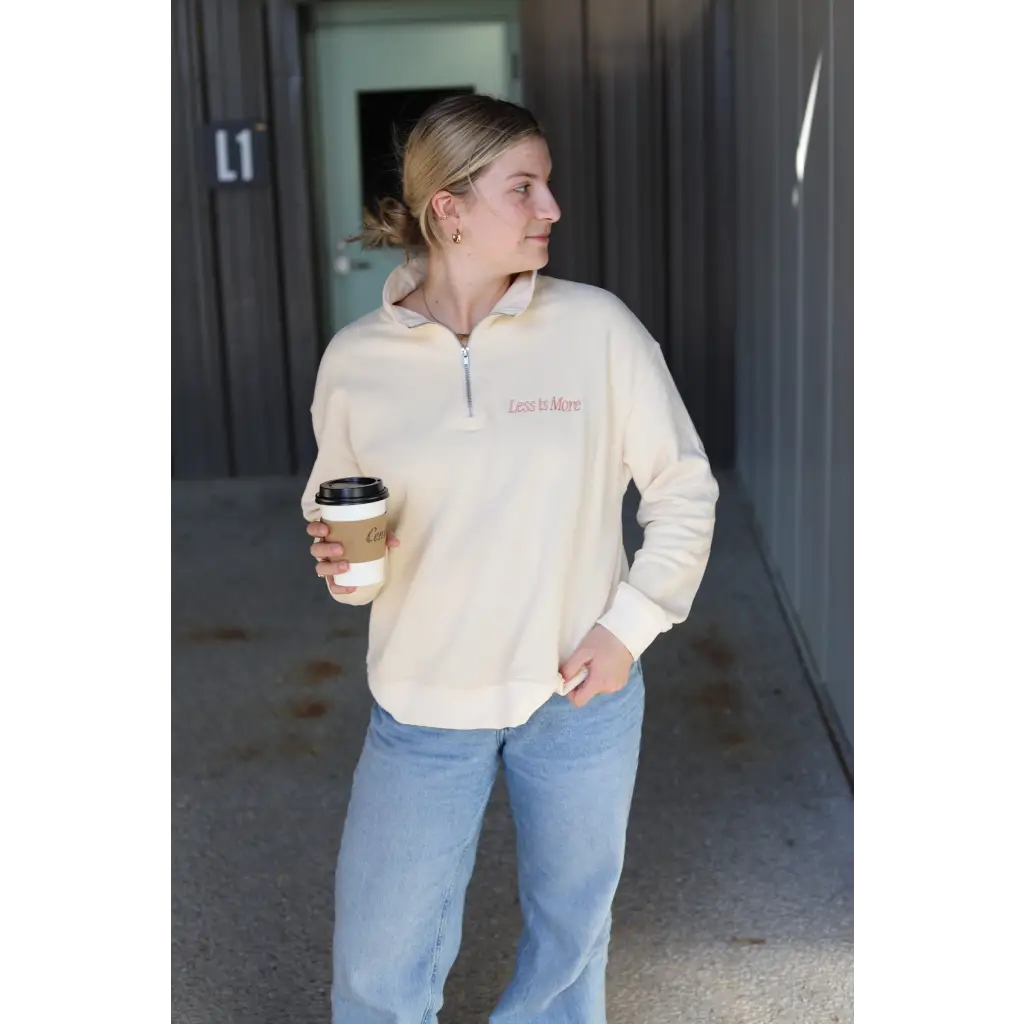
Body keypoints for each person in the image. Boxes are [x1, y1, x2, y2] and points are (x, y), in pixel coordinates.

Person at [301, 94, 719, 1024]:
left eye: (548, 185)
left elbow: (684, 486)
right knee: (378, 962)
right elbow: (333, 504)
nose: (551, 209)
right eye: (523, 188)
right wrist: (335, 559)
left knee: (570, 946)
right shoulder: (355, 360)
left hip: (576, 696)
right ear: (447, 209)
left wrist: (628, 628)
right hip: (421, 700)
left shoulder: (597, 330)